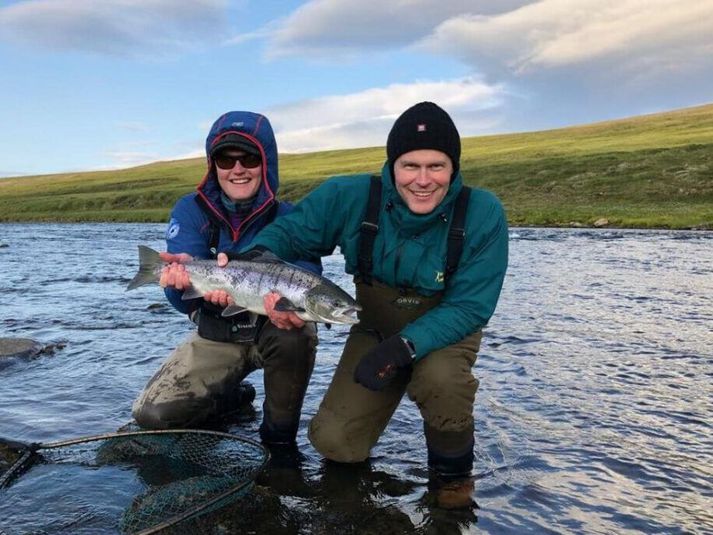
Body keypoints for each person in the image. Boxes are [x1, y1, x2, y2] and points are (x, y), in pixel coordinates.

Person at [226, 101, 509, 508]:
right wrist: (250, 266)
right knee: (334, 443)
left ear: (454, 168)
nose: (423, 180)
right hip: (373, 326)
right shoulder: (349, 196)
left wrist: (404, 348)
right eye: (411, 165)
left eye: (437, 166)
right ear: (392, 165)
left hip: (447, 331)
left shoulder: (483, 213)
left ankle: (453, 485)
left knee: (441, 382)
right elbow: (288, 234)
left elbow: (470, 307)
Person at [132, 111, 319, 446]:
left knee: (297, 332)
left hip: (275, 330)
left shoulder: (292, 217)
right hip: (216, 331)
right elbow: (179, 299)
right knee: (152, 416)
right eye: (224, 158)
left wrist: (283, 304)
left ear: (266, 162)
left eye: (248, 158)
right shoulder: (190, 210)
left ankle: (278, 441)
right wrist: (182, 281)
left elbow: (311, 275)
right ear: (212, 164)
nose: (237, 169)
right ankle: (230, 398)